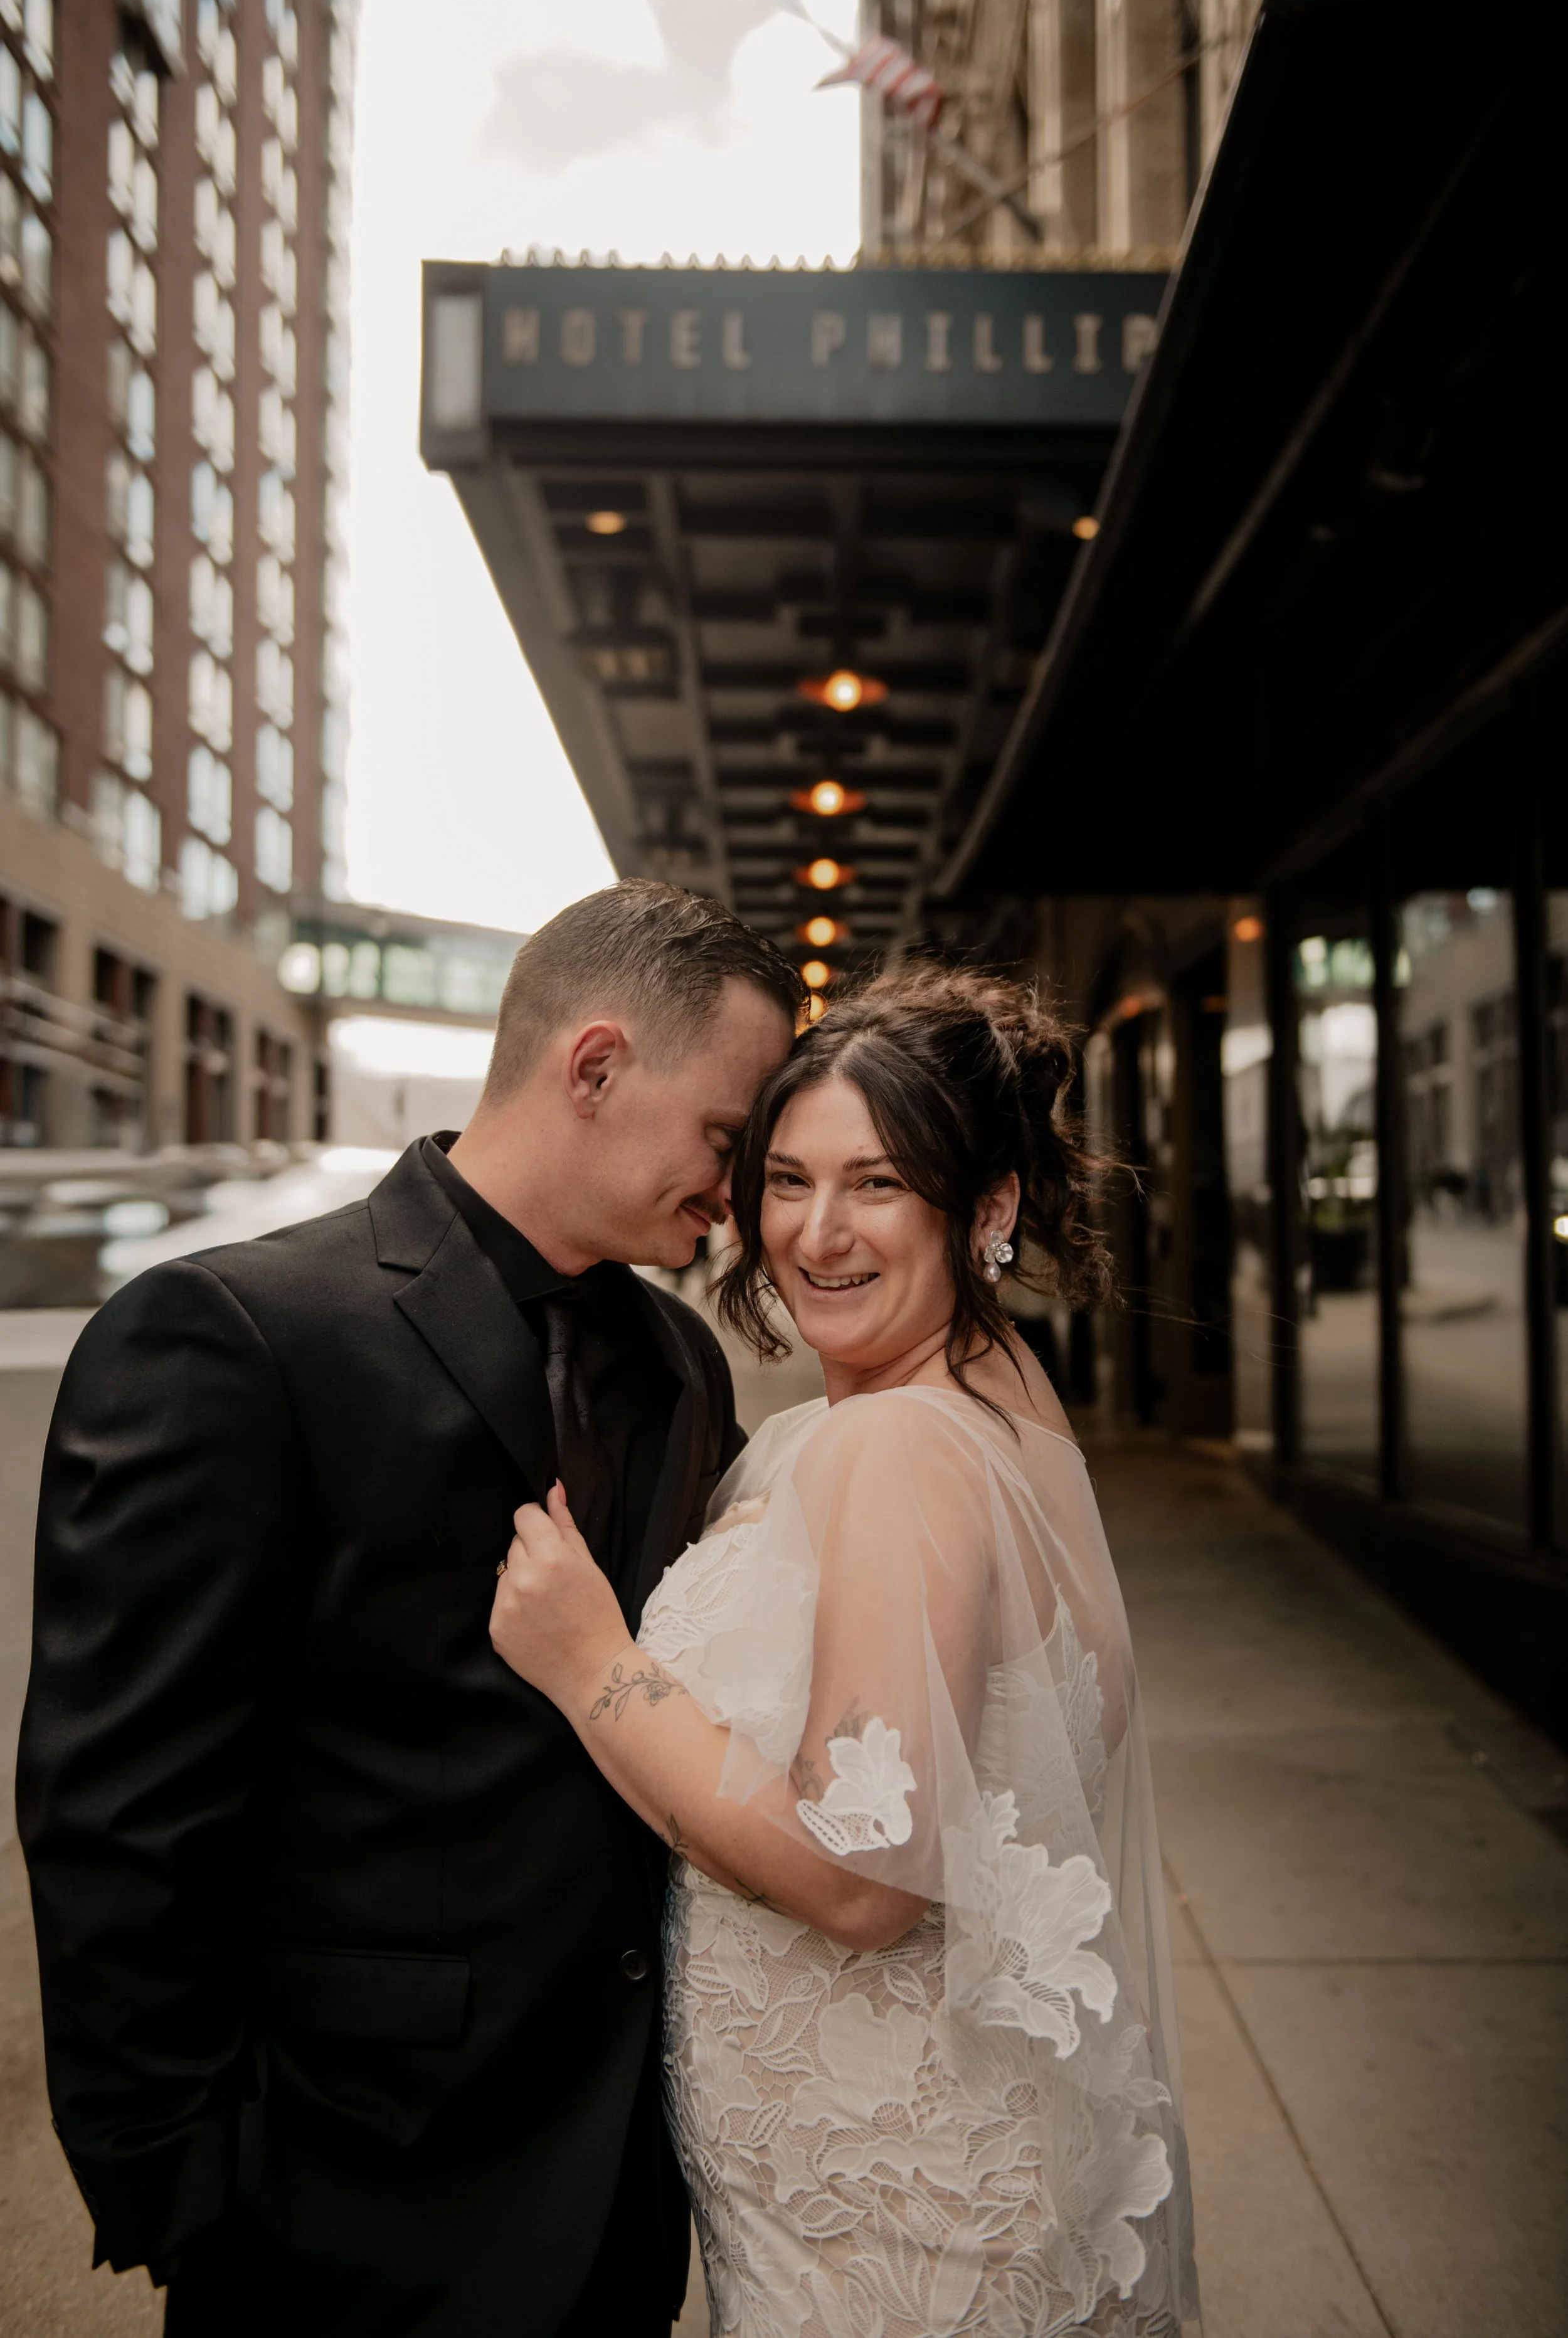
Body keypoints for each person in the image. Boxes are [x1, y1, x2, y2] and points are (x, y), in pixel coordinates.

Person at [16, 882, 798, 2338]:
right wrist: (184, 2188)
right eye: (726, 1139)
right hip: (336, 2197)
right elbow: (118, 1807)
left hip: (618, 2196)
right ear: (596, 1066)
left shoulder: (682, 1362)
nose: (740, 1192)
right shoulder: (235, 1337)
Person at [491, 965, 1200, 2338]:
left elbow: (869, 1877)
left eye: (876, 1183)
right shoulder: (997, 1411)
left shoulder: (892, 1445)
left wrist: (594, 1669)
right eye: (786, 1180)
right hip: (904, 2168)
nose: (816, 1234)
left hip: (879, 2218)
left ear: (983, 1207)